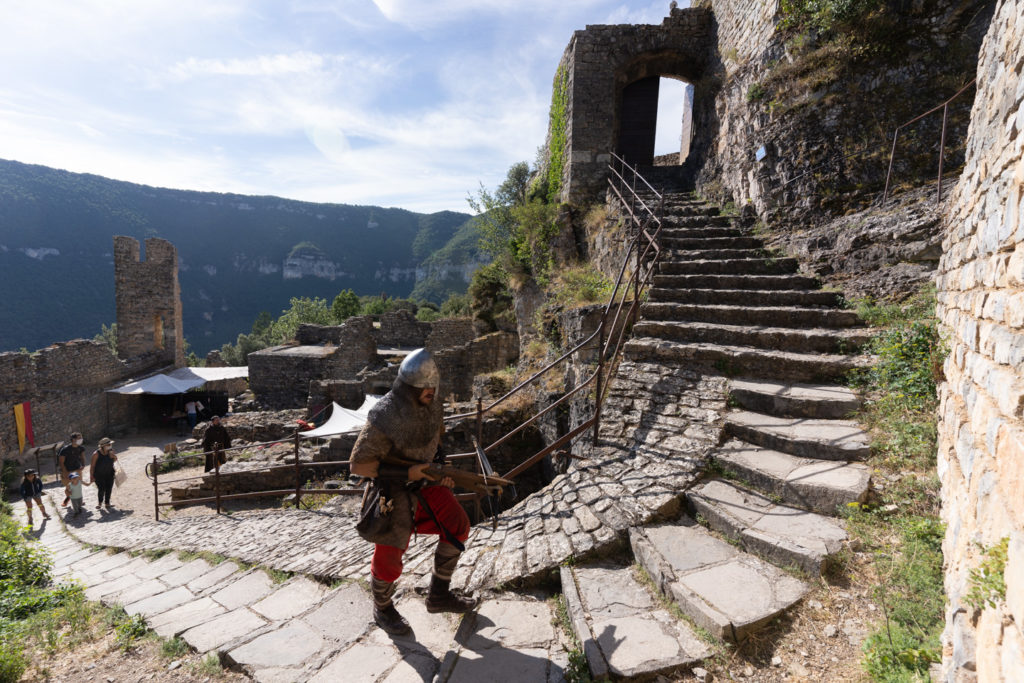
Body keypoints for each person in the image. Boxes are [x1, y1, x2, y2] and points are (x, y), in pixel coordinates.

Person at [349, 348, 477, 636]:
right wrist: (406, 473)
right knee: (389, 560)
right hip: (392, 491)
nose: (431, 391)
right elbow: (358, 465)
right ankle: (382, 608)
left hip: (426, 483)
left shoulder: (433, 407)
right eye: (424, 387)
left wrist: (441, 470)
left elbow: (435, 444)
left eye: (433, 386)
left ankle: (439, 595)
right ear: (408, 388)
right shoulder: (384, 416)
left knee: (458, 524)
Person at [57, 431, 86, 507]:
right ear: (73, 439)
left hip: (77, 469)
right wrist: (65, 472)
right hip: (67, 470)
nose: (81, 439)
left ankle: (79, 500)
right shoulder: (65, 450)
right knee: (68, 487)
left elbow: (82, 457)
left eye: (81, 437)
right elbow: (61, 462)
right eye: (79, 438)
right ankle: (67, 498)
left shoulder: (81, 448)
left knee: (78, 485)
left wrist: (83, 465)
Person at [89, 437, 118, 510]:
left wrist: (113, 456)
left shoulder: (111, 451)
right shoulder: (96, 454)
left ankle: (107, 503)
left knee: (109, 488)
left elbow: (115, 460)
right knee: (101, 489)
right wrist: (91, 476)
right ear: (103, 446)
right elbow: (92, 466)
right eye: (108, 444)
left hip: (110, 473)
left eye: (110, 444)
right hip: (99, 475)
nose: (110, 446)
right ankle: (100, 502)